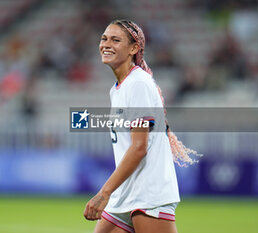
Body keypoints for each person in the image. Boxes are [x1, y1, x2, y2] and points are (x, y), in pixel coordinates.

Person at [83, 19, 200, 233]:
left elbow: (139, 148)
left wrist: (104, 193)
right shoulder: (118, 88)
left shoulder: (138, 84)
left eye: (116, 40)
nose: (106, 44)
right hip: (126, 193)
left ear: (134, 48)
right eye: (104, 39)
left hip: (148, 193)